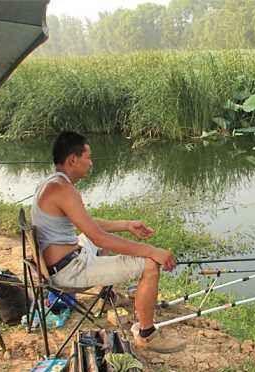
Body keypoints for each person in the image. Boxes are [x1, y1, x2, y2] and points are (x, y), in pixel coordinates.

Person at [31, 131, 185, 353]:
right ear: (73, 160)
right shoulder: (63, 189)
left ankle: (109, 295)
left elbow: (87, 224)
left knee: (102, 245)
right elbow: (98, 237)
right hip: (69, 271)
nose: (91, 163)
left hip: (65, 259)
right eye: (88, 157)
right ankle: (147, 334)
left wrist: (126, 224)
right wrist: (152, 251)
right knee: (150, 265)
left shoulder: (51, 183)